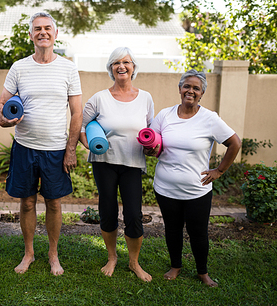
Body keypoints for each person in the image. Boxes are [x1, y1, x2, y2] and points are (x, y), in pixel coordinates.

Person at [0, 12, 83, 276]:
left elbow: (77, 113)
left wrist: (70, 150)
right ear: (31, 35)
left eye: (47, 28)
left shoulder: (68, 68)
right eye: (37, 29)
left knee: (54, 204)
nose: (42, 32)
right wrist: (2, 120)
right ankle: (29, 253)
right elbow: (0, 105)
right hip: (25, 147)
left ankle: (53, 255)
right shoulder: (19, 67)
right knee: (27, 203)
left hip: (55, 150)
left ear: (55, 34)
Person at [146, 69, 241, 287]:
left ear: (202, 93)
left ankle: (202, 272)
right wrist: (149, 149)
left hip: (197, 190)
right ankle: (175, 266)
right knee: (172, 229)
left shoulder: (210, 119)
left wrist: (219, 171)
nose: (191, 91)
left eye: (196, 88)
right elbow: (153, 144)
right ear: (180, 89)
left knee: (198, 232)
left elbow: (234, 143)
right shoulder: (165, 115)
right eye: (187, 86)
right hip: (165, 187)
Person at [79, 47, 154, 281]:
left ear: (134, 67)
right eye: (116, 63)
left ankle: (134, 262)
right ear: (111, 69)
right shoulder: (99, 98)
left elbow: (150, 130)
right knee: (107, 211)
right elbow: (82, 127)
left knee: (133, 214)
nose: (121, 66)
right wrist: (89, 144)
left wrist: (152, 145)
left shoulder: (145, 98)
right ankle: (112, 257)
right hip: (105, 162)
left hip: (132, 163)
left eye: (126, 62)